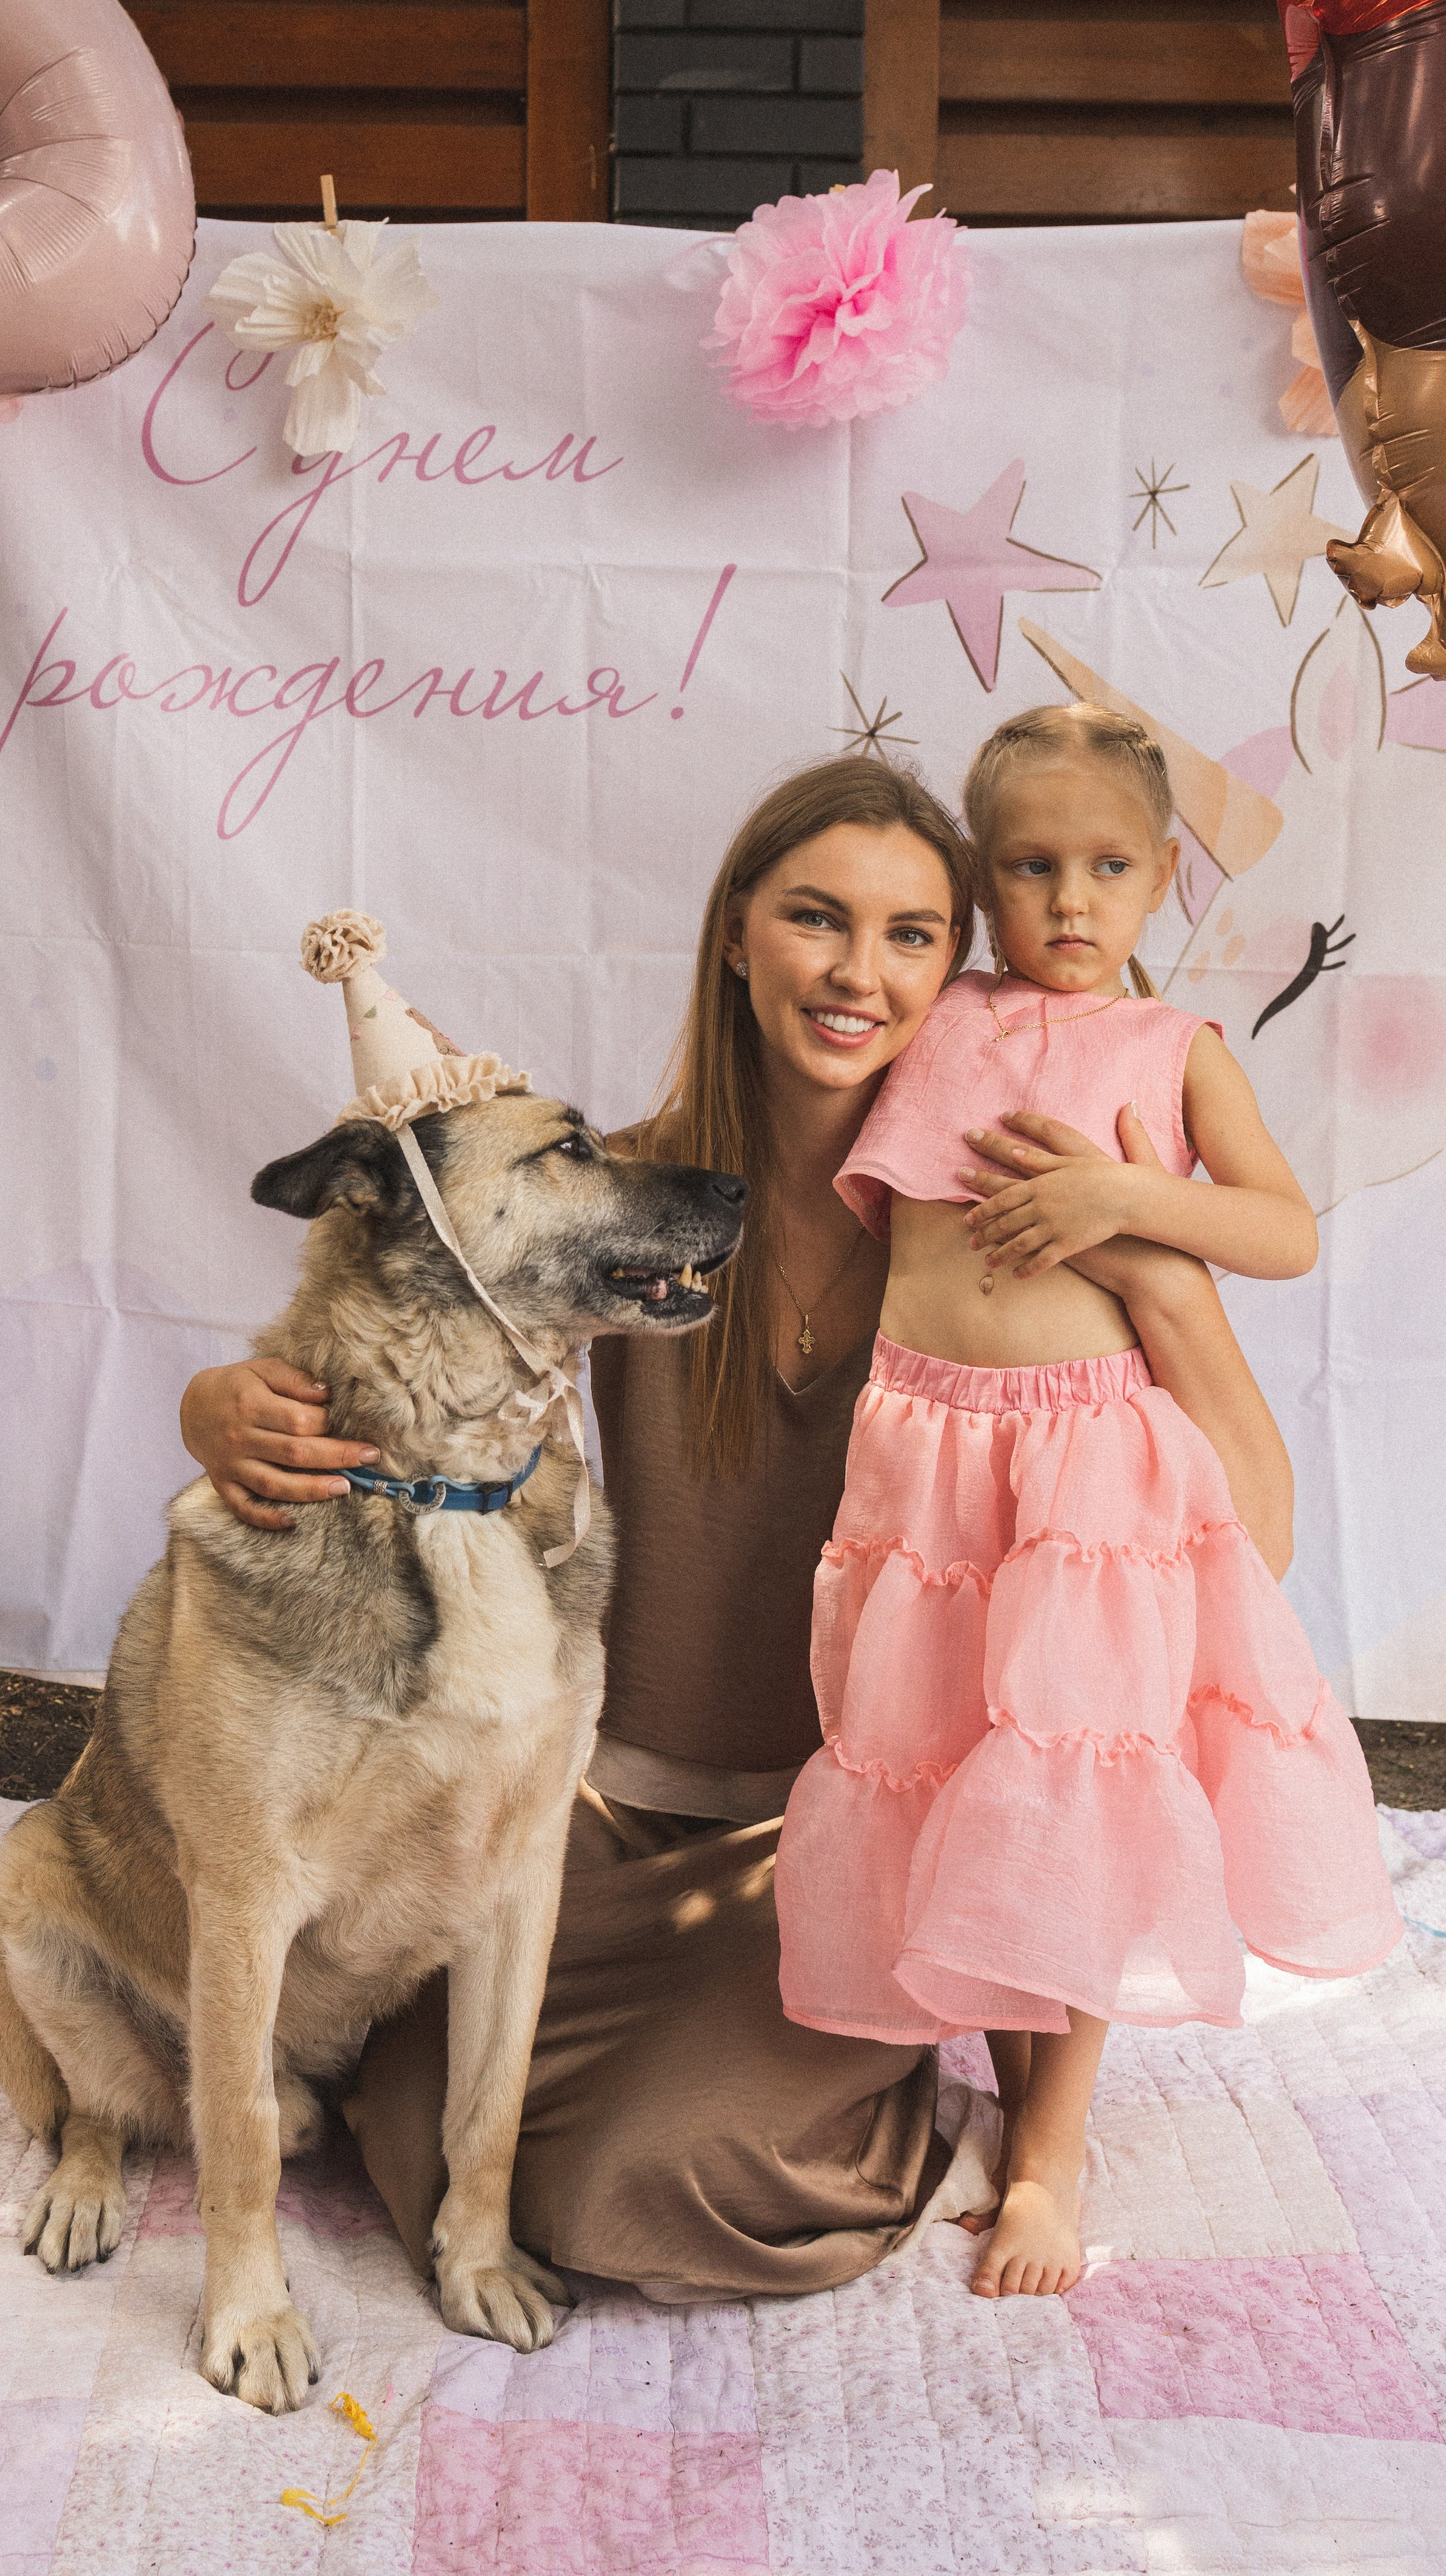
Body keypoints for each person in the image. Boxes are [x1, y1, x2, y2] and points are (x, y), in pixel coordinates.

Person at [179, 754, 1293, 2299]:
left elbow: (1252, 1541)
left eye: (912, 935)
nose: (857, 972)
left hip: (830, 1840)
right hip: (586, 1816)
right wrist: (216, 1407)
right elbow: (396, 1352)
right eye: (814, 920)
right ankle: (750, 2063)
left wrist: (1161, 1266)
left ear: (958, 961)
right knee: (421, 2148)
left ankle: (901, 2071)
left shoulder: (1012, 1222)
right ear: (734, 932)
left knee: (644, 2185)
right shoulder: (618, 1204)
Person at [774, 703, 1402, 2308]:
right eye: (1029, 866)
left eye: (1106, 866)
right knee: (950, 1772)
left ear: (1161, 876)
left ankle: (1049, 2150)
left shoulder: (1173, 1046)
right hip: (924, 1463)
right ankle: (971, 2040)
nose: (1066, 901)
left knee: (1070, 1786)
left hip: (1088, 1477)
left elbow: (1276, 1234)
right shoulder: (934, 1019)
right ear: (977, 879)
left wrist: (1129, 1197)